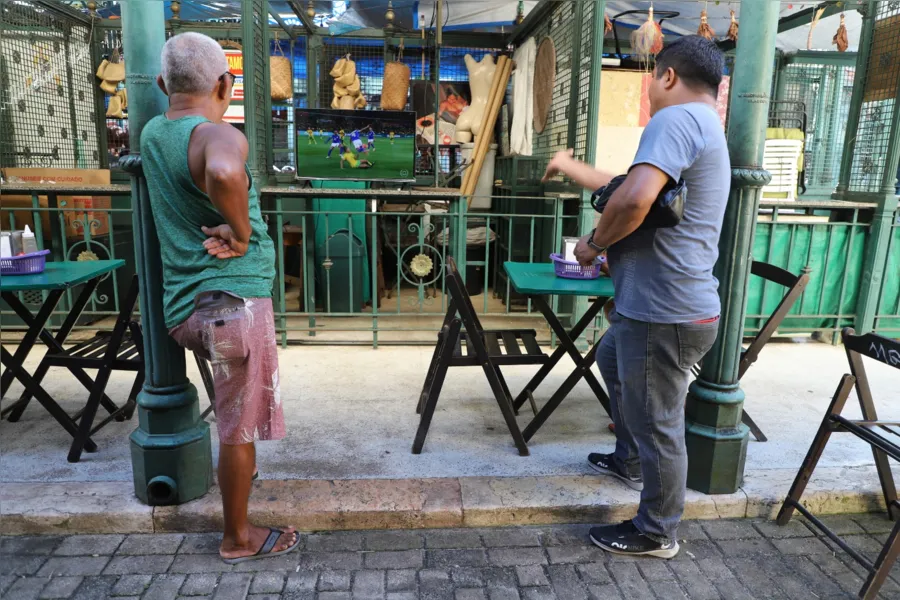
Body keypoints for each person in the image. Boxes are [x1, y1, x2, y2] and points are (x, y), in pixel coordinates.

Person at [542, 35, 729, 559]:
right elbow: (627, 188)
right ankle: (628, 459)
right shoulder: (703, 124)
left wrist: (593, 244)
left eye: (651, 77)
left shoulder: (675, 119)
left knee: (659, 420)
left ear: (667, 76)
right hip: (663, 304)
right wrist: (571, 167)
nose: (649, 88)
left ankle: (656, 529)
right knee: (610, 358)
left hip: (664, 308)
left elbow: (635, 198)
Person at [140, 32, 299, 565]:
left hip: (184, 308)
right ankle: (237, 538)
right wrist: (242, 232)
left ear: (163, 85)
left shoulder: (153, 133)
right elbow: (226, 170)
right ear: (224, 84)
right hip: (235, 306)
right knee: (238, 426)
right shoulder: (215, 133)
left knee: (234, 418)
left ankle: (238, 518)